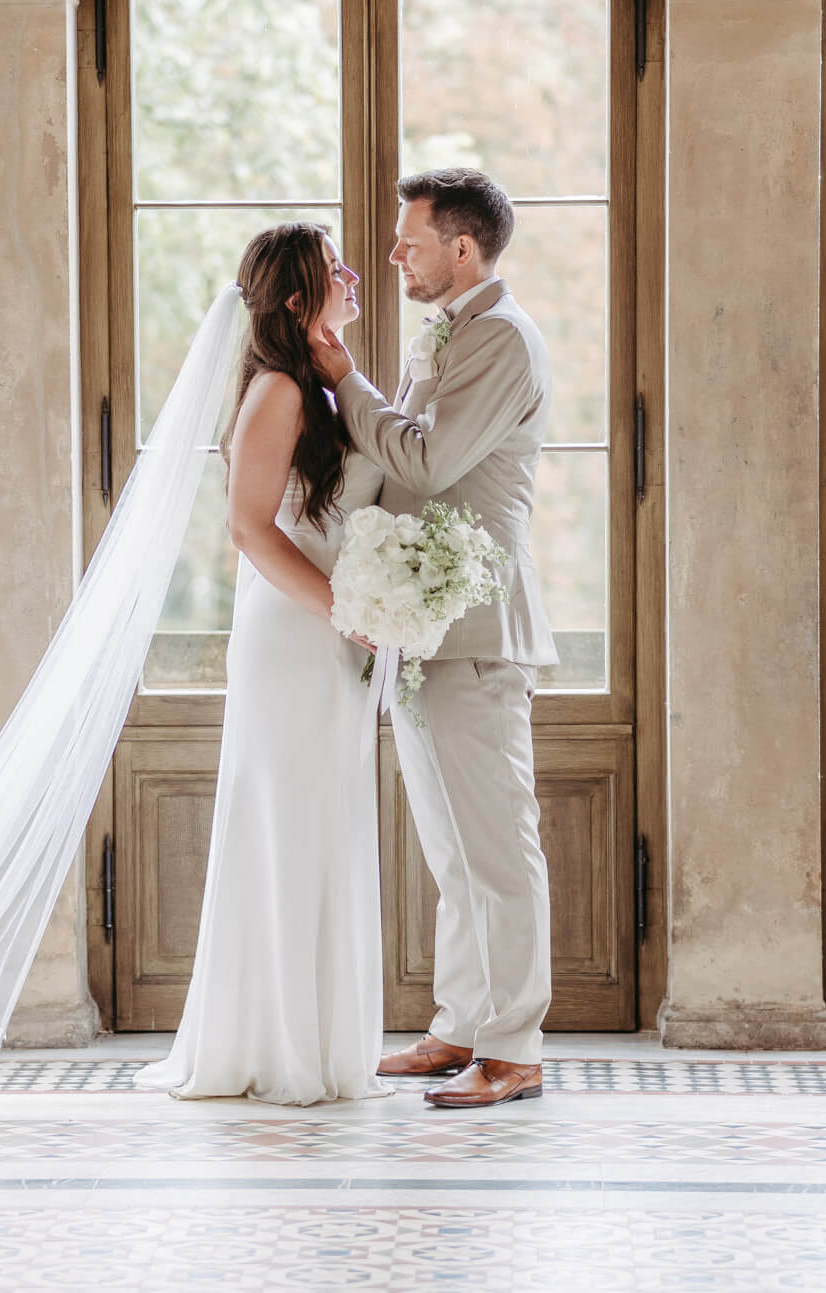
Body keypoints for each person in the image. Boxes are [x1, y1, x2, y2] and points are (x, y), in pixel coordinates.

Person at [310, 168, 558, 1110]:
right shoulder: (450, 331)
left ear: (463, 247)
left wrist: (341, 376)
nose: (392, 255)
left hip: (479, 626)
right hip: (423, 624)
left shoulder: (498, 337)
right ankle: (461, 1025)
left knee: (498, 847)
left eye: (408, 241)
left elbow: (424, 456)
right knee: (452, 851)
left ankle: (516, 1045)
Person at [134, 224, 391, 1105]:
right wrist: (347, 611)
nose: (353, 274)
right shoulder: (275, 392)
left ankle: (315, 1040)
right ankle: (276, 1045)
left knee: (324, 828)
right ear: (296, 299)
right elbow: (249, 530)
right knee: (288, 829)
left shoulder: (315, 386)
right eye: (333, 269)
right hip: (294, 640)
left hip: (328, 637)